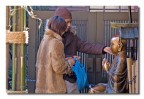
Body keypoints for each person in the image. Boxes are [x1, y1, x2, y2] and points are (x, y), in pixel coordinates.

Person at [53, 7, 112, 93]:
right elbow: (50, 59)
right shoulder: (50, 39)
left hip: (70, 78)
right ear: (58, 23)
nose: (69, 25)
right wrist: (70, 58)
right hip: (55, 80)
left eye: (70, 21)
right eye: (67, 22)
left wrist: (103, 48)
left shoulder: (71, 36)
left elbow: (84, 46)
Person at [35, 16, 75, 93]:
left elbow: (47, 61)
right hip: (53, 88)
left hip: (42, 86)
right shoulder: (57, 43)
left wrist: (64, 60)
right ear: (61, 29)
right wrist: (70, 63)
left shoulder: (44, 40)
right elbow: (59, 68)